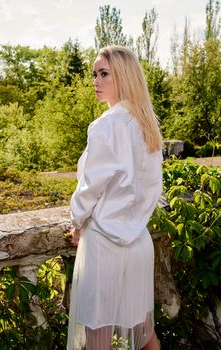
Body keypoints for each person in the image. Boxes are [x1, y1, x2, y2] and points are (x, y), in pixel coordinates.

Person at [67, 45, 163, 350]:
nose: (95, 80)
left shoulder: (105, 126)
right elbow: (151, 188)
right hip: (139, 244)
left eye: (104, 73)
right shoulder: (147, 125)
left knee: (97, 340)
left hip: (104, 246)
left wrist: (76, 221)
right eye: (95, 73)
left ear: (123, 76)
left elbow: (90, 188)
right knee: (144, 333)